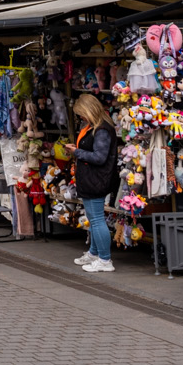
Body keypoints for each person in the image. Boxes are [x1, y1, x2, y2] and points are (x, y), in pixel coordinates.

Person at [69, 94, 118, 273]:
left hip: (97, 179)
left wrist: (77, 152)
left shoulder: (101, 130)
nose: (81, 118)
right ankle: (94, 253)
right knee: (94, 218)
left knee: (97, 220)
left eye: (82, 114)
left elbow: (99, 157)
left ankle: (105, 259)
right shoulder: (96, 127)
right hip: (91, 179)